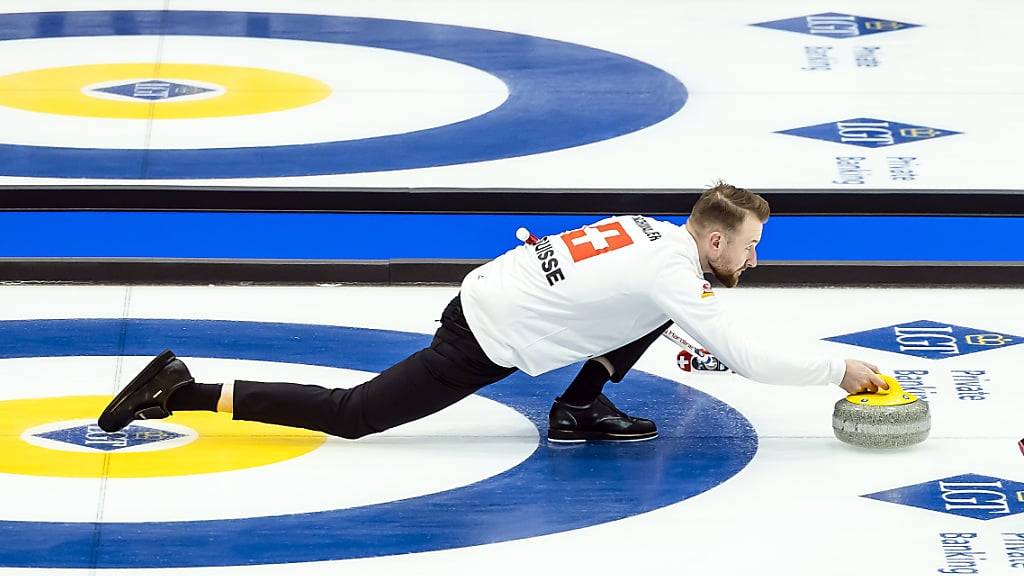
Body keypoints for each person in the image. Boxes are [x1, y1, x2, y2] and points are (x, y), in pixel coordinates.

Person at [98, 182, 888, 443]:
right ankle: (181, 389)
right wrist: (839, 369)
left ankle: (578, 409)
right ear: (715, 237)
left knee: (656, 313)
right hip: (486, 333)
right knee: (354, 415)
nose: (755, 259)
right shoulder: (673, 272)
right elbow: (744, 356)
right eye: (749, 246)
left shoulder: (660, 234)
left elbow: (662, 304)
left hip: (496, 290)